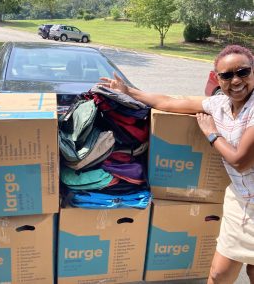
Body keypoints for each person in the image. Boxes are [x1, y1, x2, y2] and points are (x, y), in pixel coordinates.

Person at [99, 44, 254, 284]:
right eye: (226, 75)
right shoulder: (219, 104)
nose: (235, 81)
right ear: (218, 79)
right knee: (218, 274)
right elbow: (170, 102)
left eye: (242, 72)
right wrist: (128, 91)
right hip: (240, 200)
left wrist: (212, 134)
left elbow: (240, 161)